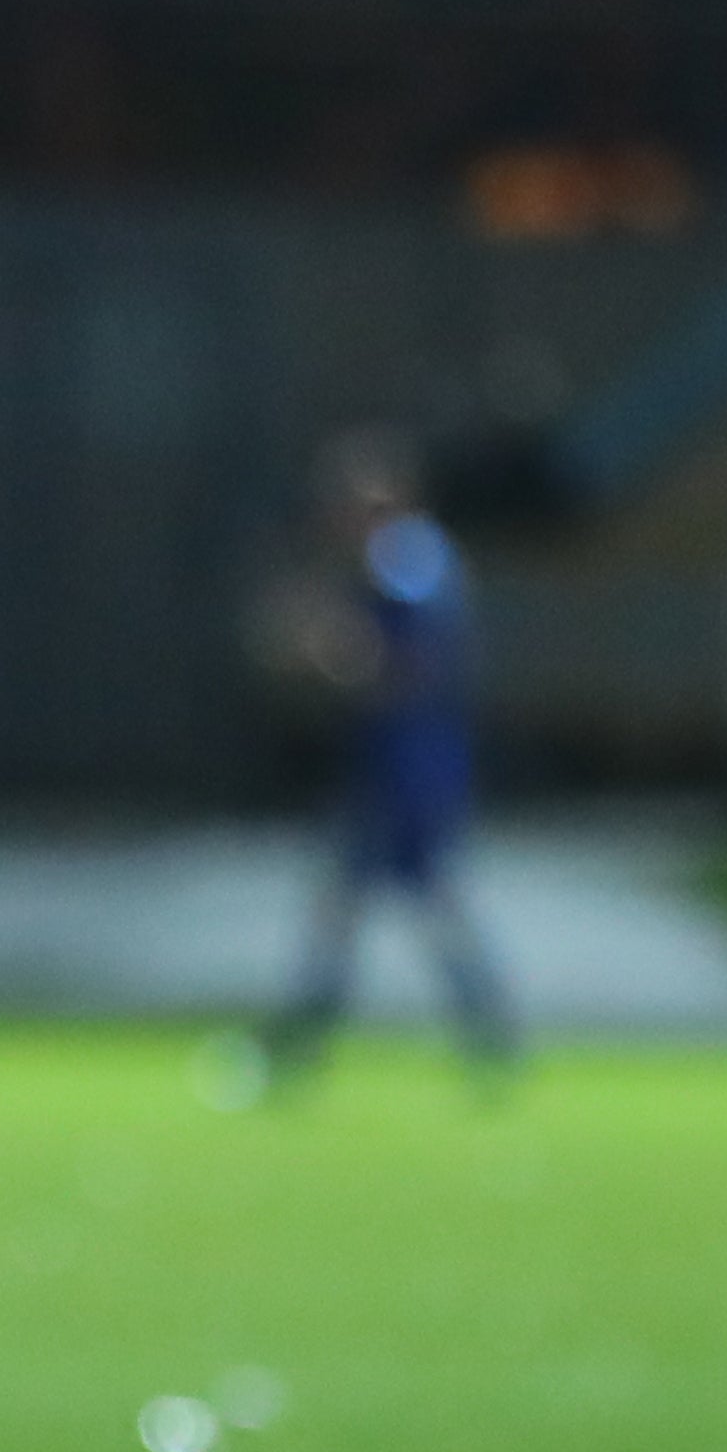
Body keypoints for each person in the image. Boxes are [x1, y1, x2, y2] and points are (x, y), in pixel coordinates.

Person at [246, 430, 521, 1088]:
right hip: (385, 759)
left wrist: (332, 656)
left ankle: (485, 1030)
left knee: (419, 897)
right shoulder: (383, 564)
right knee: (357, 902)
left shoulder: (409, 561)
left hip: (414, 762)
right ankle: (309, 1039)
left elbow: (412, 668)